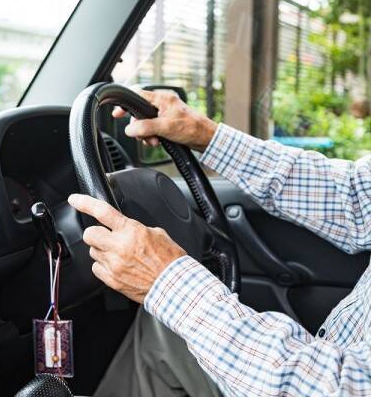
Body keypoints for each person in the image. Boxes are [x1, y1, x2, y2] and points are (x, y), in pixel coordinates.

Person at [67, 90, 371, 396]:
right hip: (324, 359)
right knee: (162, 331)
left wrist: (169, 284)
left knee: (167, 322)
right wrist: (202, 133)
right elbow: (356, 197)